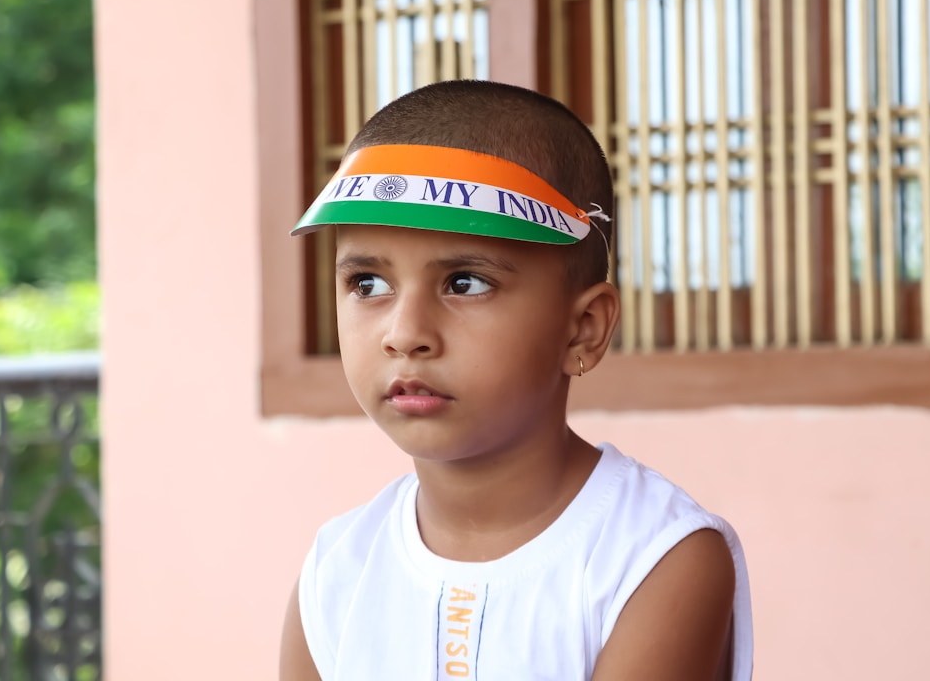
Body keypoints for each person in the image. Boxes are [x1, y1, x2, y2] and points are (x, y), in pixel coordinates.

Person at [280, 80, 753, 680]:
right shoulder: (335, 574)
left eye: (465, 282)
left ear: (582, 329)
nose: (404, 333)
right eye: (368, 283)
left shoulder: (654, 557)